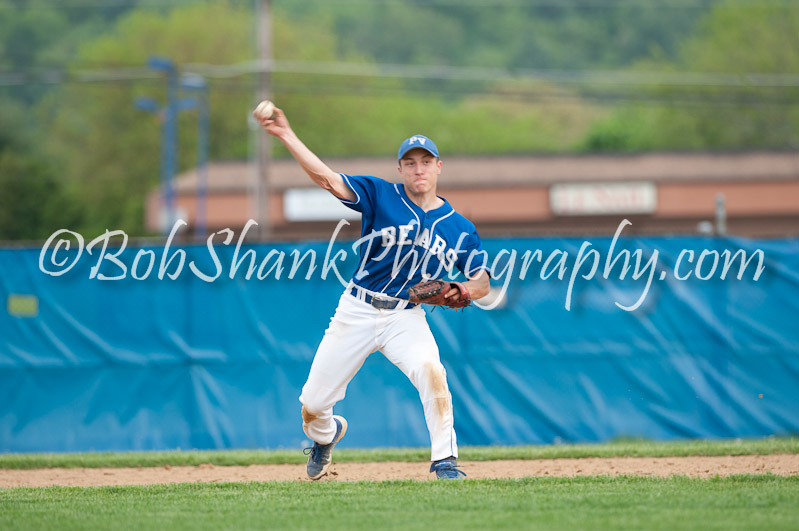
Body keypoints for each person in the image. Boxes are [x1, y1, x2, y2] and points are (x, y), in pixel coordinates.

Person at [256, 107, 490, 480]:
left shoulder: (459, 227)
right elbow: (327, 180)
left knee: (433, 373)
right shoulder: (380, 195)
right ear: (400, 169)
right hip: (357, 309)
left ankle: (444, 461)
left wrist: (464, 287)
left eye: (425, 161)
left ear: (439, 167)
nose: (418, 169)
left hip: (406, 316)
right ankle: (327, 436)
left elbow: (482, 280)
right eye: (410, 162)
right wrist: (286, 135)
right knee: (313, 405)